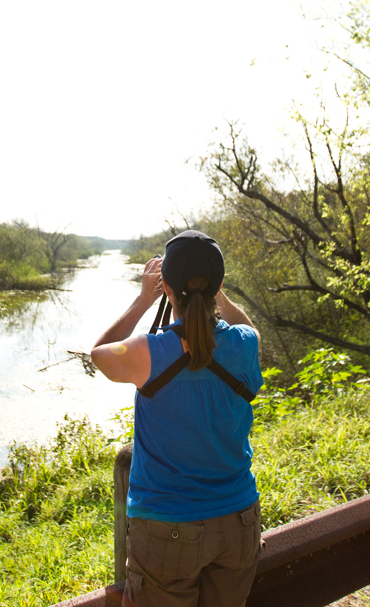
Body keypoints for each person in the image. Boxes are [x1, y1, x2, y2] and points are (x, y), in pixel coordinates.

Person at [91, 230, 263, 607]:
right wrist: (217, 294)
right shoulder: (243, 345)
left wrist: (142, 301)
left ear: (166, 286)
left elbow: (99, 353)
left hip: (167, 529)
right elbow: (251, 329)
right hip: (239, 521)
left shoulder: (147, 353)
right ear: (217, 284)